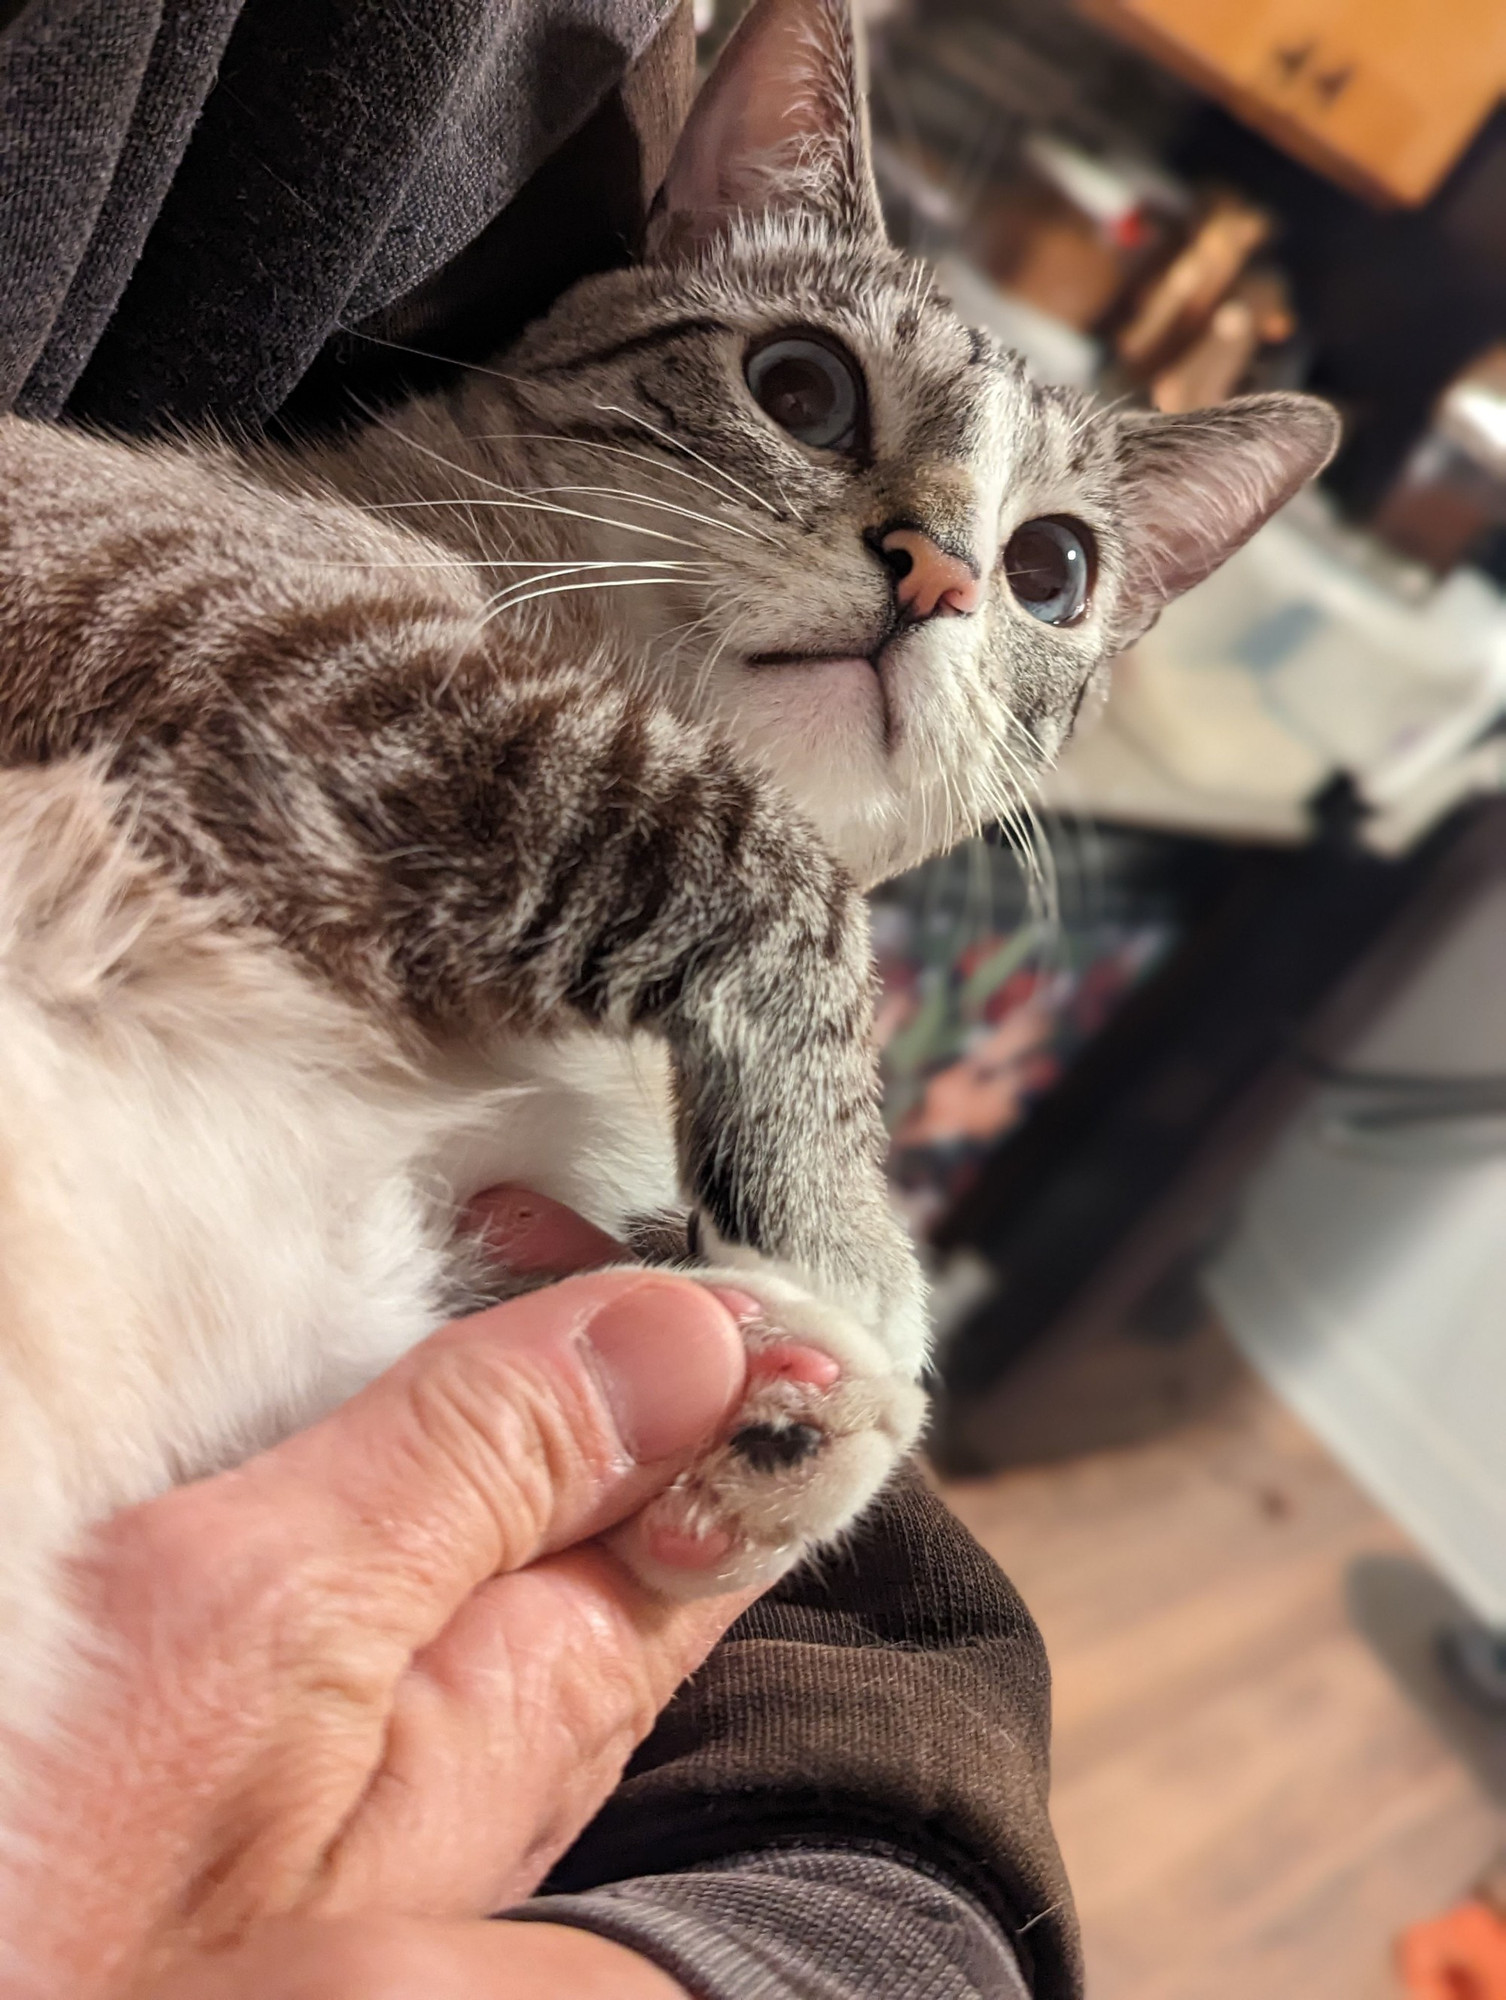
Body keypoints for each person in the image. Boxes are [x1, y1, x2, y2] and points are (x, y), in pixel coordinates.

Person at [0, 3, 1084, 1993]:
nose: (937, 567)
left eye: (1052, 569)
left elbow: (876, 1769)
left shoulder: (675, 1118)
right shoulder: (352, 574)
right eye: (807, 386)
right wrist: (734, 905)